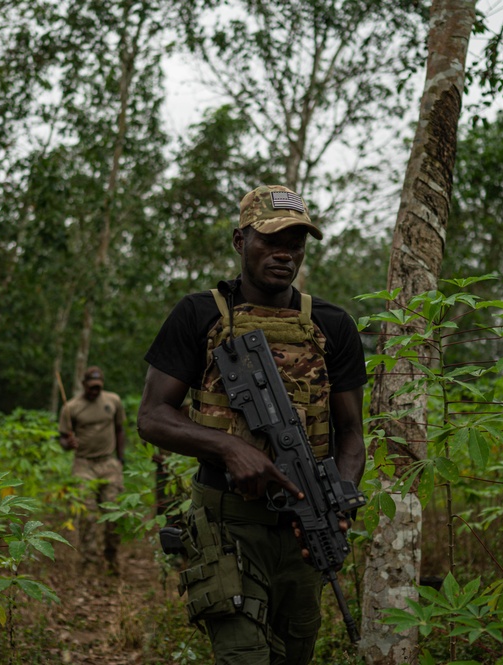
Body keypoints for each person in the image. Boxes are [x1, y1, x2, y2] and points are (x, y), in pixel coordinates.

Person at [137, 185, 367, 665]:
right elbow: (153, 417)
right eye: (271, 241)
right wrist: (229, 448)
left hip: (303, 532)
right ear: (240, 241)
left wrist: (340, 499)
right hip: (227, 527)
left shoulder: (334, 324)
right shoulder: (198, 314)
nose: (285, 254)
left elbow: (350, 434)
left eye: (296, 244)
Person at [59, 365, 127, 574]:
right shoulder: (71, 407)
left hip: (108, 463)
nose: (94, 391)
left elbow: (120, 429)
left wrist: (120, 459)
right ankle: (89, 561)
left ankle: (111, 557)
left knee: (115, 514)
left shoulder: (113, 401)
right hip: (83, 464)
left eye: (98, 387)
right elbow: (63, 439)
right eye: (91, 387)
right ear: (83, 385)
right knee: (87, 516)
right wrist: (68, 443)